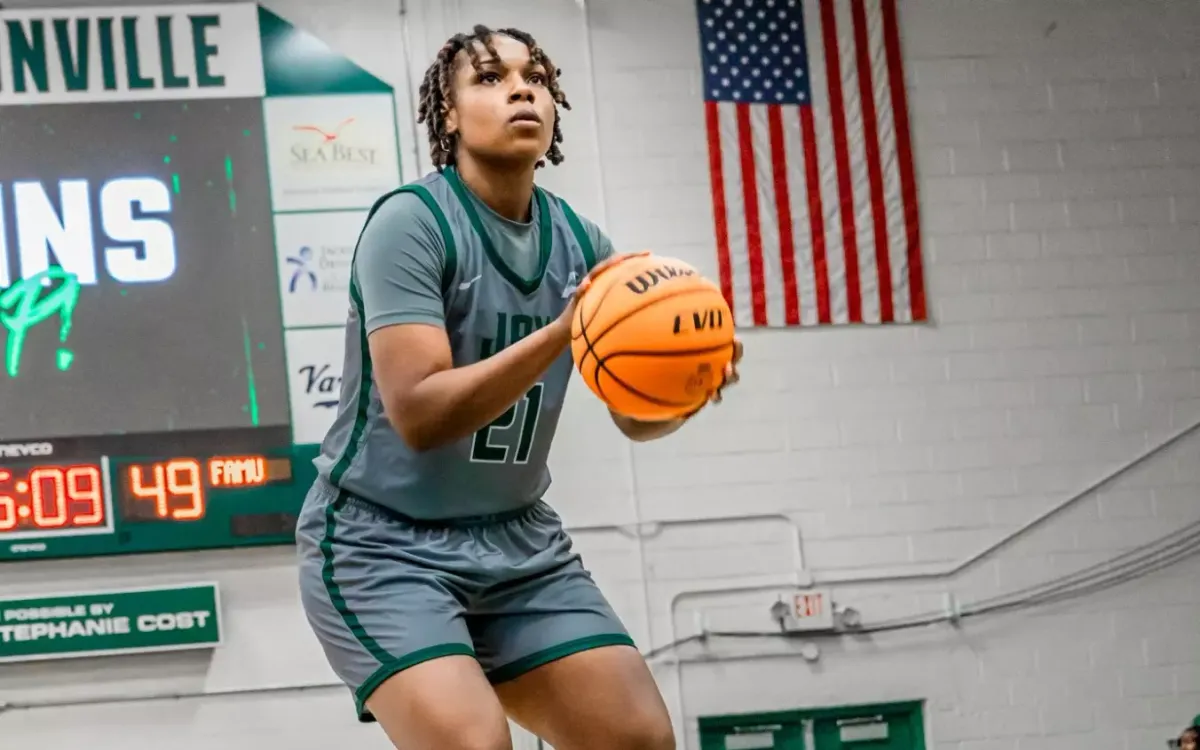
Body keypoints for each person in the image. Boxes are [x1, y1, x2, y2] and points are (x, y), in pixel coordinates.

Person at [295, 24, 742, 750]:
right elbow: (418, 413)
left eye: (534, 75)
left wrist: (686, 386)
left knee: (640, 738)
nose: (521, 88)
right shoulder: (411, 224)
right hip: (382, 546)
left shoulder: (584, 244)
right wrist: (566, 329)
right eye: (491, 78)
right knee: (477, 745)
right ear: (447, 112)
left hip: (518, 543)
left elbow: (633, 421)